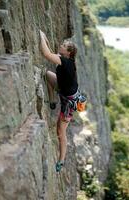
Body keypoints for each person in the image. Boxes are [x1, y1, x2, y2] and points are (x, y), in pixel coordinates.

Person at [39, 30, 78, 172]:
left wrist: (41, 36)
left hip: (69, 103)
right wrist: (45, 39)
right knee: (48, 75)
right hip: (63, 91)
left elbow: (46, 54)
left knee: (60, 132)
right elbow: (50, 51)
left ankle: (61, 160)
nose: (60, 45)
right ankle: (52, 100)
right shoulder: (65, 58)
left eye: (64, 45)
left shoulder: (66, 62)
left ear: (68, 53)